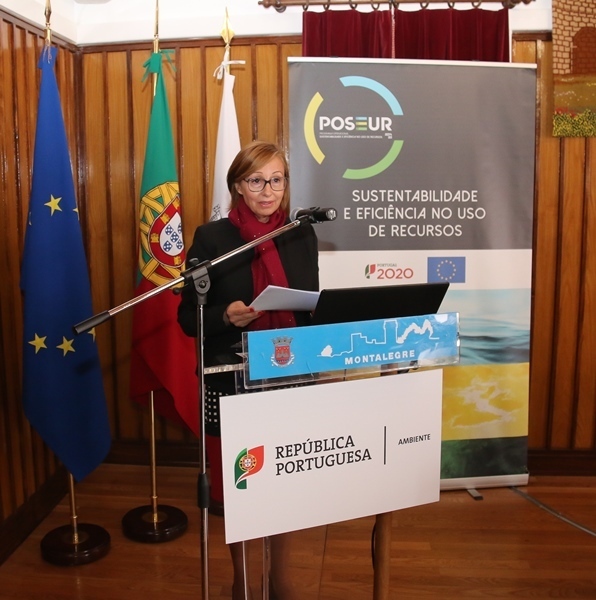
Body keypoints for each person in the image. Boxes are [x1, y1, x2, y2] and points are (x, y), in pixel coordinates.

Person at [177, 141, 319, 600]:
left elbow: (311, 305)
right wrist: (224, 315)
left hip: (290, 373)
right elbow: (187, 317)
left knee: (285, 479)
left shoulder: (301, 233)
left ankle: (280, 577)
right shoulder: (212, 239)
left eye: (277, 180)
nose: (268, 190)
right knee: (242, 482)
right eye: (256, 181)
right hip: (232, 376)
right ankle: (241, 577)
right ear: (238, 185)